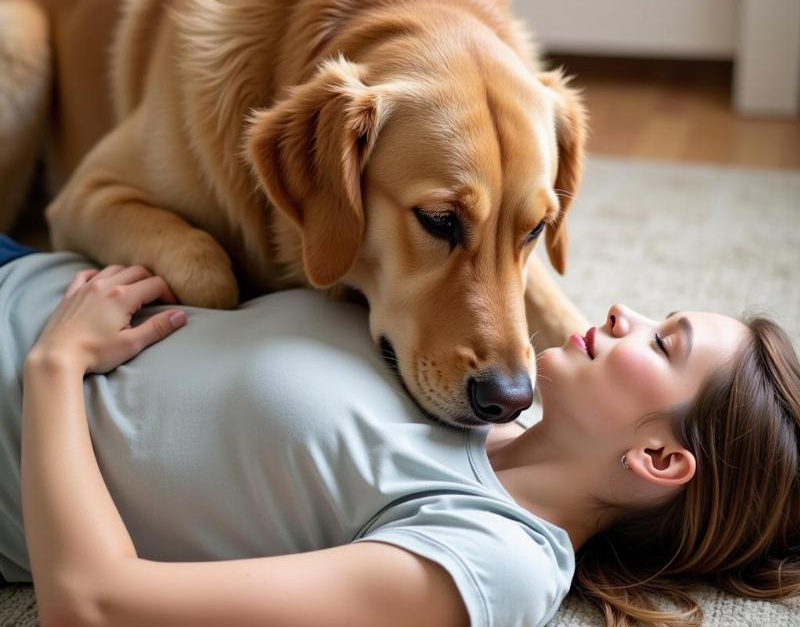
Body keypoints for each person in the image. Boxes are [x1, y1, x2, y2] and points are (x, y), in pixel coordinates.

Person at [0, 240, 798, 627]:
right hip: (29, 268)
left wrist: (56, 366)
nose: (628, 313)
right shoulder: (481, 390)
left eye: (663, 343)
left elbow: (92, 604)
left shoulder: (498, 557)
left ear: (659, 460)